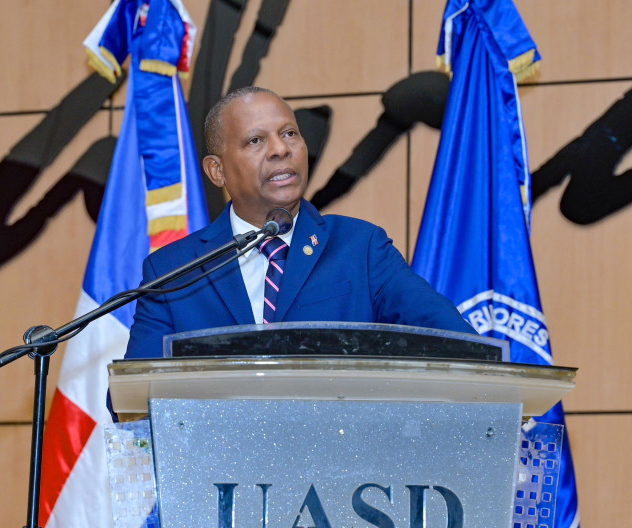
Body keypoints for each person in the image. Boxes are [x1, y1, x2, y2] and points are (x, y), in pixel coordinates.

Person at [124, 86, 475, 359]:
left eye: (290, 133)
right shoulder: (173, 271)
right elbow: (133, 395)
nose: (280, 149)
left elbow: (459, 345)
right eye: (256, 140)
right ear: (217, 170)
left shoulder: (361, 249)